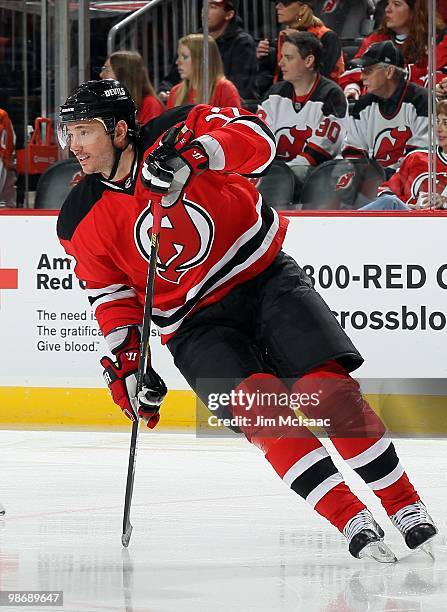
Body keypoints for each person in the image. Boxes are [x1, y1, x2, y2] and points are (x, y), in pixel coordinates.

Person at [56, 78, 437, 562]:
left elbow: (261, 145)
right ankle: (350, 519)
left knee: (328, 393)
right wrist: (130, 361)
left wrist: (197, 156)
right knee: (263, 412)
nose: (73, 145)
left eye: (84, 131)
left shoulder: (180, 126)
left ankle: (404, 505)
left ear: (120, 130)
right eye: (70, 133)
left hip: (262, 277)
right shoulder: (77, 216)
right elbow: (111, 294)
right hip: (192, 324)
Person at [258, 31, 347, 189]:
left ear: (308, 61)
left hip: (316, 181)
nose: (281, 63)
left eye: (288, 58)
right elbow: (258, 138)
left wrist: (277, 176)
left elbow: (317, 155)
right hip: (275, 177)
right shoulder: (274, 94)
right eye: (282, 56)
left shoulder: (332, 95)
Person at [342, 41, 428, 176]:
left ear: (389, 71)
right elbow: (353, 153)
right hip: (371, 183)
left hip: (409, 182)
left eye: (367, 70)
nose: (361, 76)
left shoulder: (423, 101)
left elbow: (421, 156)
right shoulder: (363, 105)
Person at [340, 0, 447, 100]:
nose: (387, 9)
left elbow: (440, 75)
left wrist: (437, 87)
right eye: (388, 3)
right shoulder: (376, 39)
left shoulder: (438, 40)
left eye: (396, 4)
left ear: (415, 10)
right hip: (377, 110)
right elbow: (354, 71)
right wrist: (352, 87)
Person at [158, 0, 258, 104]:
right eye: (204, 6)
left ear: (229, 14)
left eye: (213, 7)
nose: (204, 11)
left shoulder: (242, 43)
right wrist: (164, 90)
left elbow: (241, 89)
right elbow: (171, 78)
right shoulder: (193, 41)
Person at [360, 99, 447, 210]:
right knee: (390, 201)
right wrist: (407, 207)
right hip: (406, 220)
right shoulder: (417, 157)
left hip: (440, 224)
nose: (439, 129)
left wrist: (445, 203)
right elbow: (386, 190)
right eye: (437, 121)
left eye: (445, 123)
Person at [256, 0, 345, 97]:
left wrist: (299, 45)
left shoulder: (327, 37)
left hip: (321, 101)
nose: (278, 7)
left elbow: (318, 78)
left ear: (302, 9)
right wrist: (264, 59)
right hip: (283, 100)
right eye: (277, 3)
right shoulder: (283, 37)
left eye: (285, 3)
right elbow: (268, 83)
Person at [166, 34, 241, 109]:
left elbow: (235, 119)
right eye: (178, 56)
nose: (177, 62)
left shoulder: (225, 89)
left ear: (202, 61)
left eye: (185, 57)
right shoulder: (175, 92)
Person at [100, 50, 164, 125]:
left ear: (124, 75)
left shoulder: (151, 105)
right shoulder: (109, 102)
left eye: (107, 70)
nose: (101, 75)